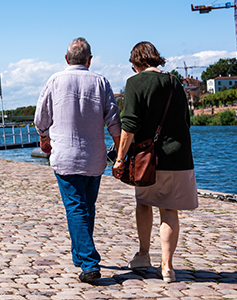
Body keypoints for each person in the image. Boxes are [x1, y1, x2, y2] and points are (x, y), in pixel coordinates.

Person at [34, 37, 121, 283]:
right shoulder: (101, 82)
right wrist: (120, 153)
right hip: (95, 158)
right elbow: (114, 121)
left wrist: (43, 137)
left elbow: (41, 116)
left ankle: (89, 262)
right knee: (86, 207)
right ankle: (80, 256)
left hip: (65, 157)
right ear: (89, 60)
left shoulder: (55, 80)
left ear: (66, 59)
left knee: (76, 207)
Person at [112, 41, 198, 283]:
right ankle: (168, 267)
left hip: (147, 158)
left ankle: (143, 254)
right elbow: (185, 121)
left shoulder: (135, 83)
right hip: (178, 155)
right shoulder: (174, 82)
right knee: (169, 209)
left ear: (137, 63)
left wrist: (119, 158)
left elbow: (129, 125)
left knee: (145, 202)